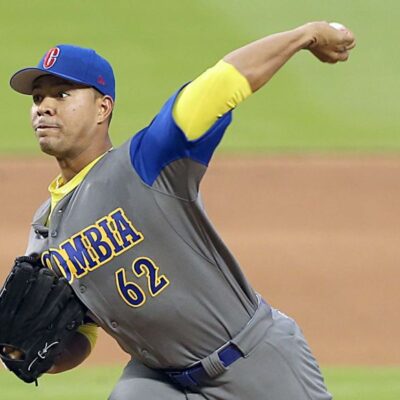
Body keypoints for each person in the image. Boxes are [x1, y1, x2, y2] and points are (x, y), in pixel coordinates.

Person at [9, 21, 355, 399]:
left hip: (252, 359)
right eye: (38, 98)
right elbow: (82, 334)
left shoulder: (146, 162)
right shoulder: (44, 230)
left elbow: (221, 83)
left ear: (102, 108)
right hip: (158, 378)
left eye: (62, 94)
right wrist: (34, 352)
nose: (44, 107)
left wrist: (309, 34)